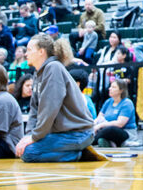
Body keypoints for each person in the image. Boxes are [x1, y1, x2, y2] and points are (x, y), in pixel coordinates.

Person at [15, 35, 95, 163]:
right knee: (23, 149)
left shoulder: (54, 68)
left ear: (41, 51)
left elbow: (49, 109)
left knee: (28, 153)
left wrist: (34, 137)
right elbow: (34, 110)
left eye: (29, 50)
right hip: (61, 134)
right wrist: (28, 136)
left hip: (78, 133)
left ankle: (77, 154)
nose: (26, 54)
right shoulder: (38, 74)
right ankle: (72, 151)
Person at [93, 79, 136, 147]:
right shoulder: (108, 102)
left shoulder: (127, 103)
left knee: (110, 129)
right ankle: (107, 142)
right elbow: (99, 118)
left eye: (113, 87)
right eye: (110, 87)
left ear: (121, 90)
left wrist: (101, 125)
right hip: (106, 130)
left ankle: (90, 143)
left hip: (125, 132)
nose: (110, 89)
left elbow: (120, 124)